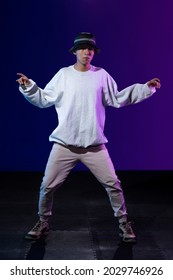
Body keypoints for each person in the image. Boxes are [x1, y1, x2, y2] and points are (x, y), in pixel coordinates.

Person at [16, 32, 161, 242]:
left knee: (113, 184)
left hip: (94, 145)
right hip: (65, 144)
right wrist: (28, 86)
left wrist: (145, 88)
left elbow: (118, 97)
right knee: (47, 185)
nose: (87, 52)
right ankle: (42, 222)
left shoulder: (101, 75)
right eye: (83, 48)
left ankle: (123, 223)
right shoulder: (64, 75)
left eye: (90, 49)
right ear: (75, 51)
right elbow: (44, 98)